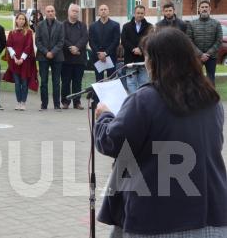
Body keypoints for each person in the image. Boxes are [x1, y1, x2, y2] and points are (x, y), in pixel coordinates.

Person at [94, 27, 227, 238]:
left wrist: (104, 117)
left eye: (148, 58)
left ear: (157, 62)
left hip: (157, 218)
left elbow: (113, 141)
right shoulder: (211, 100)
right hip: (212, 214)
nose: (146, 65)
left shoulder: (145, 99)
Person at [2, 13, 38, 111]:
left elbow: (28, 46)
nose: (21, 21)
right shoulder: (12, 33)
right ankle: (18, 102)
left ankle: (23, 102)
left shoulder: (29, 32)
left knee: (24, 83)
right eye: (19, 19)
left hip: (25, 62)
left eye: (23, 19)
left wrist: (22, 59)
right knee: (17, 83)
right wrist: (15, 58)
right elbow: (9, 45)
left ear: (25, 21)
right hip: (14, 62)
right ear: (16, 20)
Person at [35, 5, 64, 111]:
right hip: (43, 56)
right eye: (48, 11)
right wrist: (46, 52)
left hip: (57, 57)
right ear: (45, 13)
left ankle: (57, 104)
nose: (50, 13)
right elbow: (37, 41)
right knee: (43, 82)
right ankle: (44, 104)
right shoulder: (39, 25)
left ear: (55, 12)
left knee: (56, 82)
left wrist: (53, 52)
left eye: (52, 11)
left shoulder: (60, 25)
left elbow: (61, 41)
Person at [187, 0, 222, 86]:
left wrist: (208, 53)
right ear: (199, 9)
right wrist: (200, 54)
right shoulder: (192, 24)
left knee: (211, 78)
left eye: (206, 7)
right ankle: (196, 97)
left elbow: (219, 40)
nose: (204, 9)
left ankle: (212, 98)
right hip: (196, 56)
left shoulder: (216, 23)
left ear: (210, 9)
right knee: (195, 78)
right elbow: (189, 40)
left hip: (211, 57)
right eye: (202, 7)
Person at [61, 3, 88, 110]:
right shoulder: (62, 25)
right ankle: (65, 102)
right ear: (68, 12)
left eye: (77, 11)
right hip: (66, 58)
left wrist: (77, 47)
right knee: (65, 82)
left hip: (79, 59)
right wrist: (71, 48)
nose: (75, 13)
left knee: (77, 82)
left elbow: (85, 38)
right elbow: (62, 39)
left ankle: (77, 102)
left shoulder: (82, 25)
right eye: (73, 11)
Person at [120, 5, 153, 94]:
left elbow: (150, 40)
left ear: (144, 14)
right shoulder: (126, 26)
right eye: (138, 13)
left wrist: (141, 50)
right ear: (134, 13)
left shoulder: (150, 27)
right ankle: (134, 101)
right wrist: (133, 49)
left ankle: (143, 102)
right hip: (130, 59)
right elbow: (124, 40)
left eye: (142, 13)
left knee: (144, 82)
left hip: (143, 59)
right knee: (131, 83)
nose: (140, 15)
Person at [89, 4, 120, 82]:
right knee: (99, 80)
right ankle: (99, 95)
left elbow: (116, 41)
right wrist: (99, 53)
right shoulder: (93, 26)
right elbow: (91, 41)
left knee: (111, 80)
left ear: (108, 11)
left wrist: (105, 53)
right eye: (101, 9)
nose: (103, 11)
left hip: (110, 56)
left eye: (105, 9)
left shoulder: (115, 25)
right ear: (98, 12)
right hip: (97, 57)